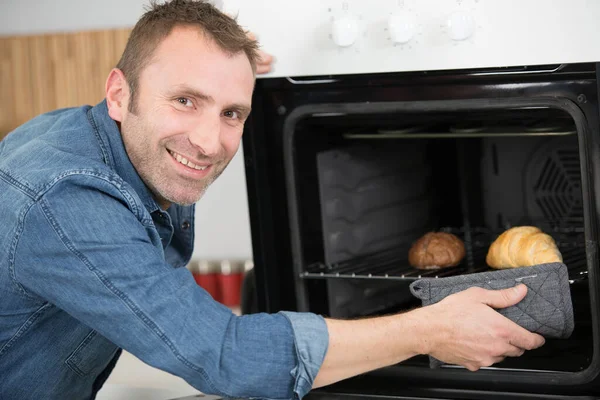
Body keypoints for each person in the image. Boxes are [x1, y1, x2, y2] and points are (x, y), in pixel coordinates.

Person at [0, 1, 545, 399]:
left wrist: (222, 77)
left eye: (231, 112)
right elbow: (224, 355)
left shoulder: (83, 136)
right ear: (119, 94)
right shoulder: (66, 197)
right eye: (185, 100)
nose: (210, 142)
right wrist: (431, 329)